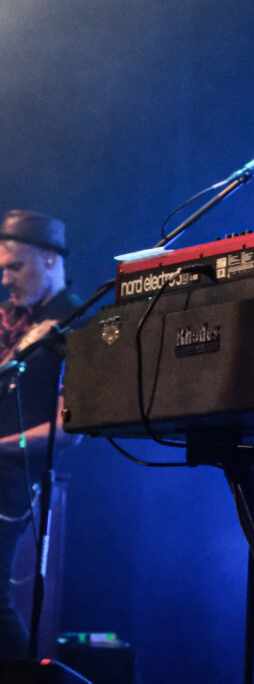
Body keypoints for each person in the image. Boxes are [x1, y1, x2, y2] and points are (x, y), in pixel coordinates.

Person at [0, 209, 80, 659]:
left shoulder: (75, 323)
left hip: (11, 481)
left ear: (49, 259)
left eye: (15, 266)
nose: (6, 279)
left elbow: (69, 428)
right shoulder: (11, 321)